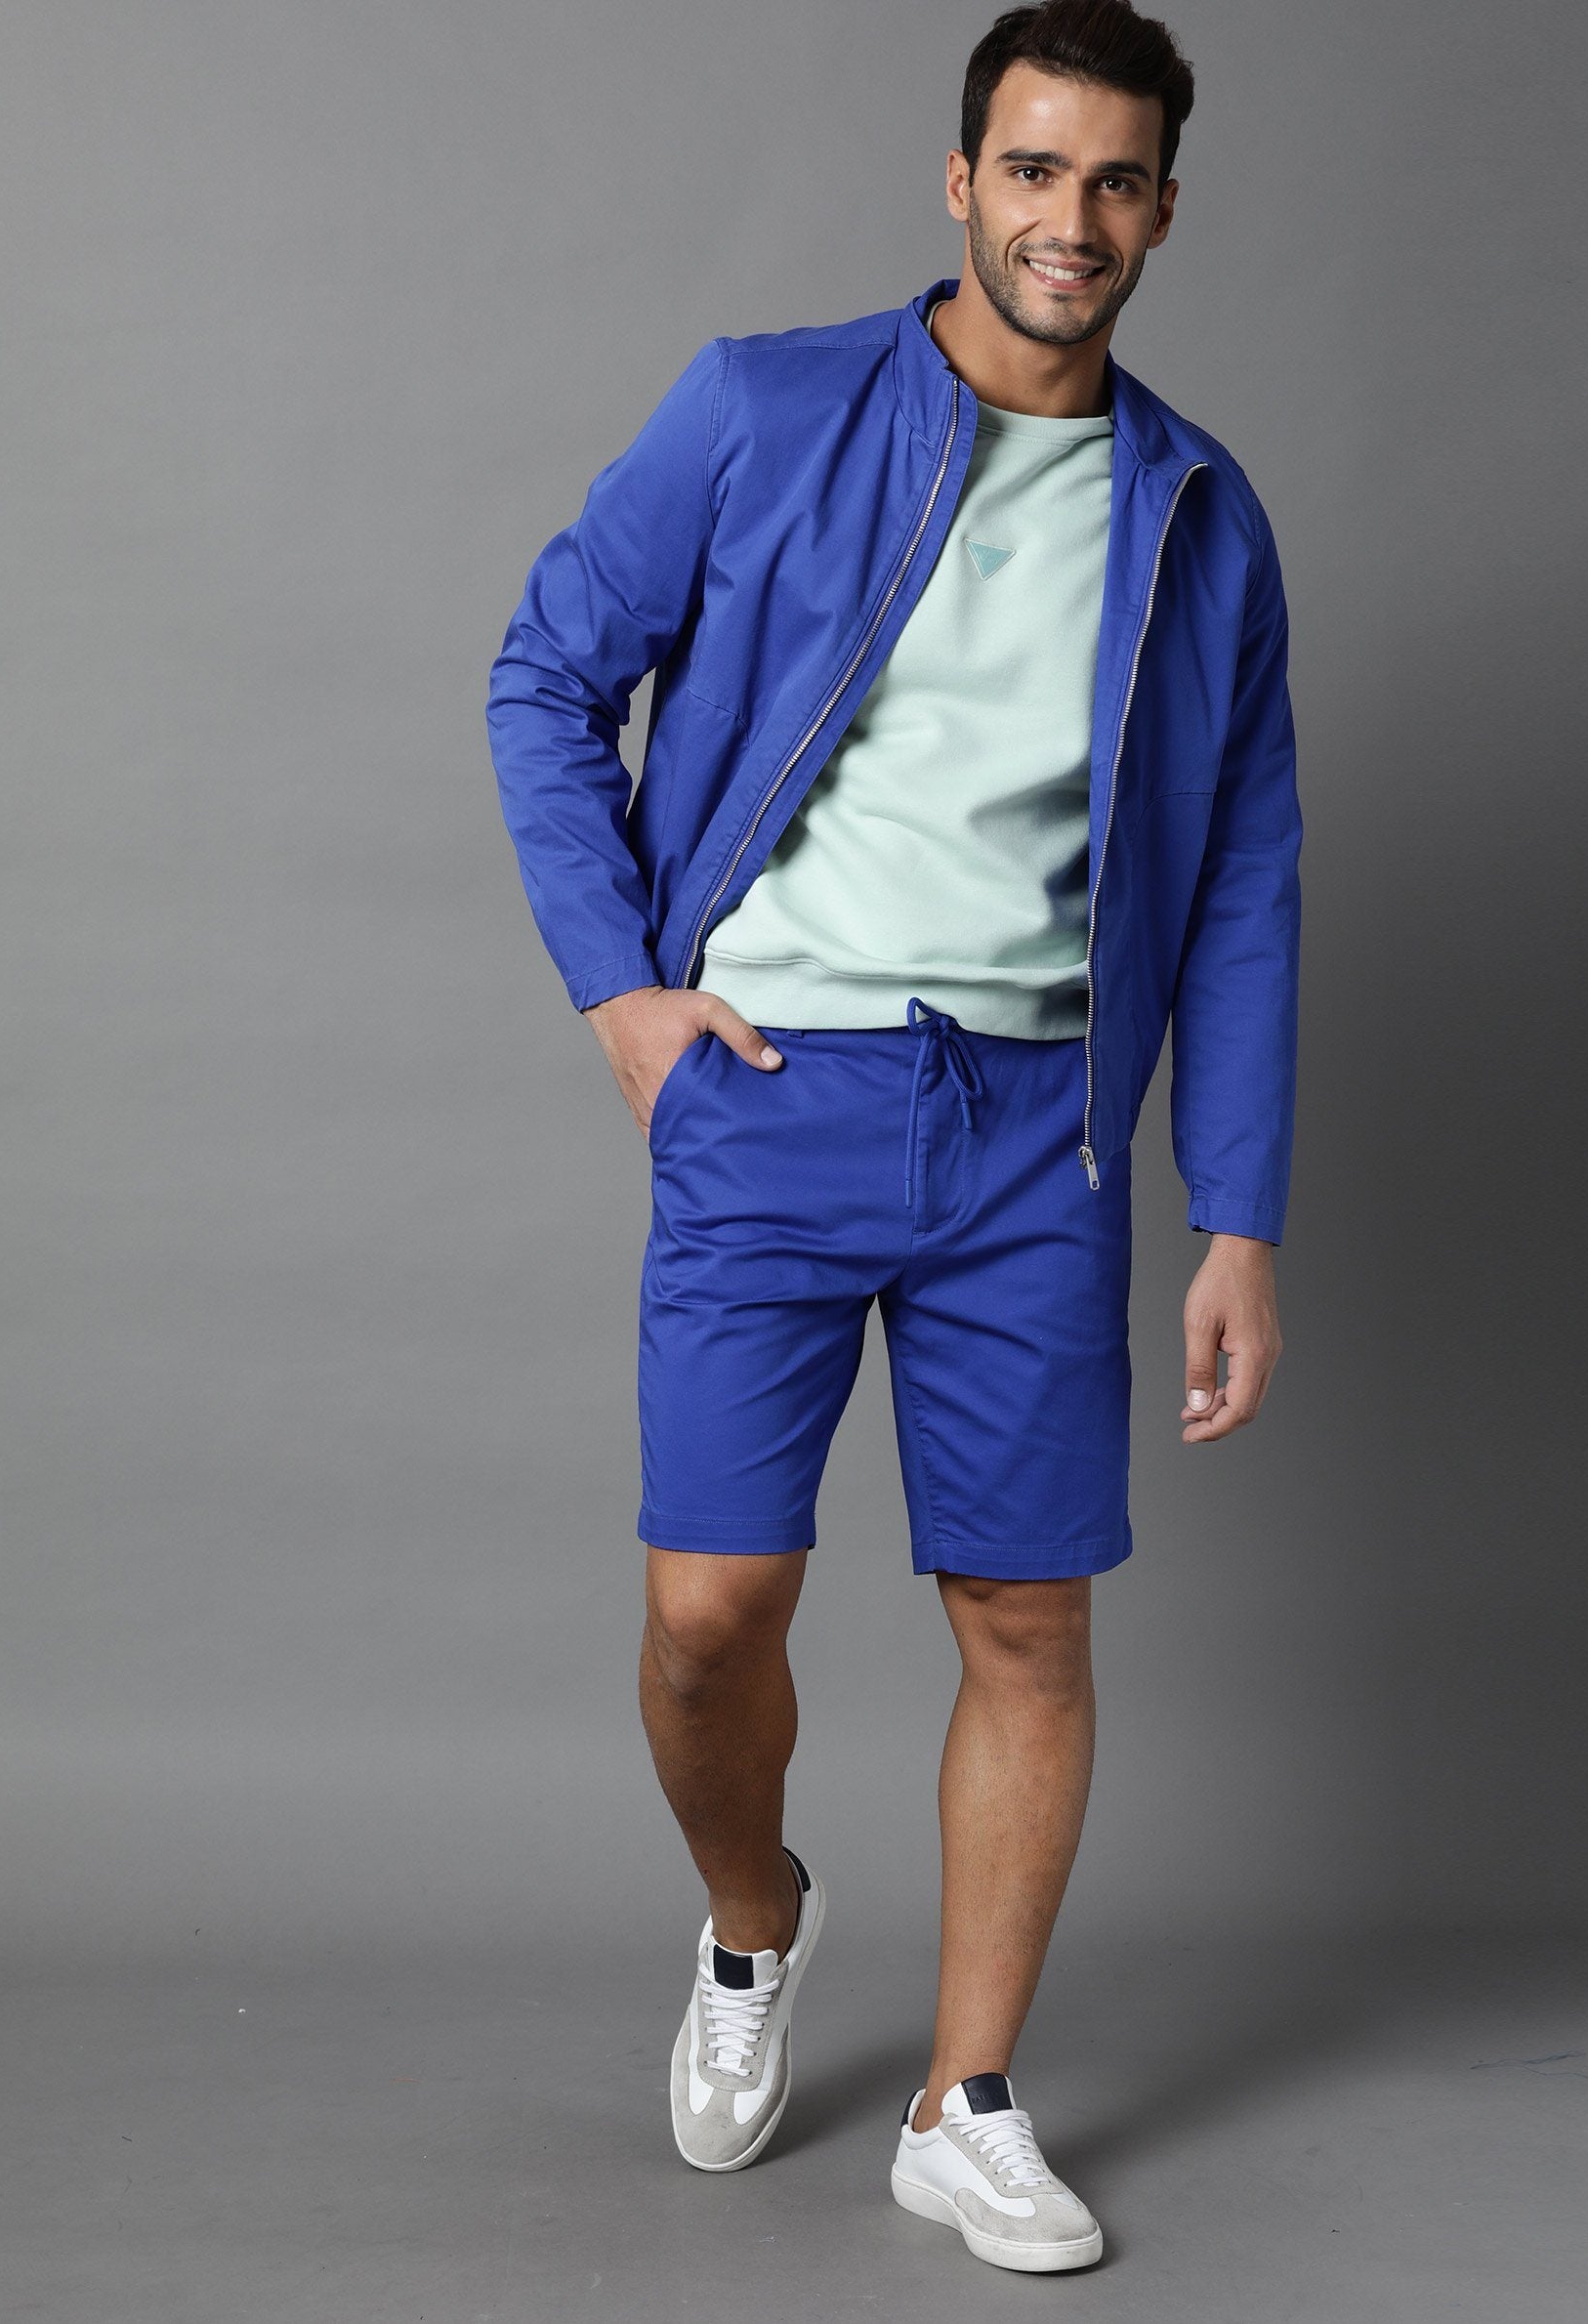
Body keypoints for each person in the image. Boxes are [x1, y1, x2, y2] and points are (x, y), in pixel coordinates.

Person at [484, 0, 1299, 2276]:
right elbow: (547, 671)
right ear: (962, 181)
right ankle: (755, 1912)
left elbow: (1245, 874)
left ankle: (969, 2099)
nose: (1072, 218)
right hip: (771, 1090)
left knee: (1027, 1615)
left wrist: (1237, 1208)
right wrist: (623, 989)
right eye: (1034, 169)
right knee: (707, 1614)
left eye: (1116, 179)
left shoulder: (1198, 512)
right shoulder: (766, 405)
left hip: (1036, 1127)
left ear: (1164, 209)